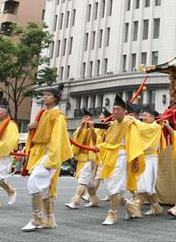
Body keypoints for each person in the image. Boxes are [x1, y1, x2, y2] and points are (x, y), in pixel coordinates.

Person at [21, 85, 73, 231]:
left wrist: (51, 160)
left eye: (48, 95)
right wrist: (30, 128)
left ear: (55, 98)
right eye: (44, 94)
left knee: (34, 183)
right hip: (40, 154)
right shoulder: (43, 113)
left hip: (49, 155)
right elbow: (38, 136)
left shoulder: (58, 116)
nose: (45, 97)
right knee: (45, 189)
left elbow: (57, 140)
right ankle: (49, 219)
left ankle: (36, 218)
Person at [97, 95, 145, 225]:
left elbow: (135, 143)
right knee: (110, 187)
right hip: (110, 158)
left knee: (114, 188)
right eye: (114, 109)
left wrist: (135, 161)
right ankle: (131, 206)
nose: (115, 112)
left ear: (124, 111)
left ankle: (112, 214)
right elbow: (108, 142)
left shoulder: (130, 124)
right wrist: (100, 147)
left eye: (118, 109)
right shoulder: (112, 125)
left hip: (122, 157)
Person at [134, 105, 166, 217]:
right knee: (147, 186)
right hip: (141, 157)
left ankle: (136, 208)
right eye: (142, 115)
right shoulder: (143, 125)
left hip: (150, 158)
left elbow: (142, 128)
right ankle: (156, 207)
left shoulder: (155, 127)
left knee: (144, 184)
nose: (143, 117)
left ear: (153, 117)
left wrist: (131, 119)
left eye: (145, 115)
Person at [65, 108, 100, 209]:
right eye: (83, 117)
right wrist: (81, 127)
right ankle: (94, 199)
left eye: (87, 117)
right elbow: (76, 138)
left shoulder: (96, 128)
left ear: (92, 118)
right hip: (82, 157)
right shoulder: (80, 129)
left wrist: (92, 128)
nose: (85, 119)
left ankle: (75, 201)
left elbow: (96, 140)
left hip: (91, 158)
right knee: (89, 183)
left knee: (83, 180)